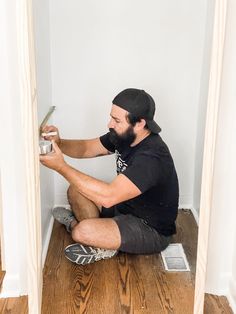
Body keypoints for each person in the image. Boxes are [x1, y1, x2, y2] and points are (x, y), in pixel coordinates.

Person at [40, 88, 179, 266]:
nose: (109, 124)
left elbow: (108, 196)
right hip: (125, 207)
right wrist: (59, 143)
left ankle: (78, 227)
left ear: (140, 123)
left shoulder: (152, 156)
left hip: (150, 229)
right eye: (111, 117)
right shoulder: (123, 136)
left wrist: (61, 167)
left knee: (81, 232)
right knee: (76, 190)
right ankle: (103, 237)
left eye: (116, 120)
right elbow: (86, 148)